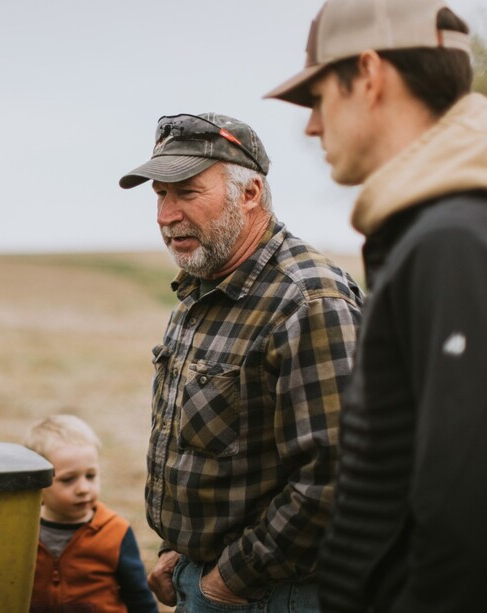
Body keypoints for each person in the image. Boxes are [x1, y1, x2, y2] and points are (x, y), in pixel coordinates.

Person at [265, 0, 487, 611]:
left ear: (367, 74)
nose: (312, 126)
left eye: (317, 98)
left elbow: (474, 513)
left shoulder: (455, 242)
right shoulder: (470, 221)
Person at [118, 113, 364, 612]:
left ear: (249, 194)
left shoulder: (309, 301)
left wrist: (227, 582)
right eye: (160, 195)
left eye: (187, 192)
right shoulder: (203, 285)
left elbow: (339, 477)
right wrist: (179, 550)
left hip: (280, 596)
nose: (167, 215)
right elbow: (203, 449)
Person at [22, 414, 158, 613]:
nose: (83, 488)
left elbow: (138, 596)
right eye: (68, 480)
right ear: (38, 482)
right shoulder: (24, 532)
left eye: (90, 476)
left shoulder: (115, 532)